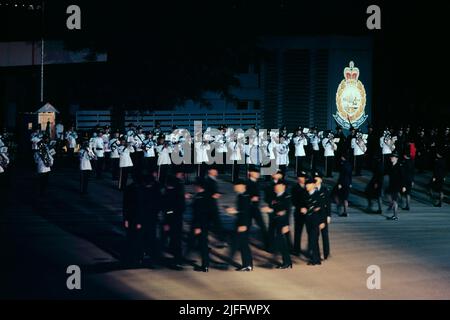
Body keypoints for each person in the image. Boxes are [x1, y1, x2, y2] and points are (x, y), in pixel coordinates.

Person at [226, 180, 253, 271]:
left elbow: (247, 212)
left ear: (242, 186)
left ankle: (247, 265)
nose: (234, 187)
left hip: (243, 224)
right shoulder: (241, 195)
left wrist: (243, 224)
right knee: (243, 244)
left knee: (242, 244)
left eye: (236, 185)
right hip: (241, 223)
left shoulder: (245, 196)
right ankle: (247, 265)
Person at [162, 172, 186, 270]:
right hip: (176, 221)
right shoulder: (178, 193)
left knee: (174, 241)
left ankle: (177, 261)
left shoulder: (170, 193)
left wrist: (167, 218)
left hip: (172, 221)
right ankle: (177, 260)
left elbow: (169, 209)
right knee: (175, 242)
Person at [190, 178, 212, 272]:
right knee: (203, 244)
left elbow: (199, 213)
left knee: (202, 245)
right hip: (205, 225)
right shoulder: (206, 196)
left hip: (200, 225)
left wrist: (198, 226)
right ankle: (205, 265)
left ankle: (205, 265)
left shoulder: (200, 198)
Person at [271, 181, 292, 269]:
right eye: (276, 186)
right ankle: (287, 262)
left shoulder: (286, 197)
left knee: (283, 243)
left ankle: (287, 262)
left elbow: (288, 212)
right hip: (277, 222)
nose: (276, 188)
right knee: (281, 243)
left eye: (278, 186)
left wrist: (286, 225)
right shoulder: (276, 196)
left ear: (283, 187)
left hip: (283, 223)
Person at [246, 167, 268, 248]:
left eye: (258, 173)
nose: (258, 174)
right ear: (251, 173)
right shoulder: (247, 183)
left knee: (262, 226)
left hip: (255, 208)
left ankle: (267, 244)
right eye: (256, 173)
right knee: (246, 226)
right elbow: (243, 195)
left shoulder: (257, 182)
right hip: (248, 208)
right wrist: (250, 198)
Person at [204, 167, 227, 247]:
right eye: (214, 170)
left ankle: (221, 239)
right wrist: (212, 195)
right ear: (209, 171)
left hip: (212, 205)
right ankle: (221, 239)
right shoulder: (207, 180)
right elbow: (205, 192)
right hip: (209, 206)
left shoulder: (213, 179)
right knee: (214, 224)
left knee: (214, 224)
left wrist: (216, 193)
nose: (216, 171)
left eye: (216, 170)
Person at [304, 178, 322, 266]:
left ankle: (315, 259)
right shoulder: (306, 195)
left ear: (313, 185)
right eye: (306, 184)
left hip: (316, 221)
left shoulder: (318, 195)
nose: (306, 186)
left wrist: (322, 222)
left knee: (313, 239)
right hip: (308, 221)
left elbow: (322, 209)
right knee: (313, 239)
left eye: (308, 184)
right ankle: (317, 258)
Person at [291, 171, 308, 256]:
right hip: (299, 212)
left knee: (311, 232)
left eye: (303, 177)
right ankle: (296, 249)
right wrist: (300, 207)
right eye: (300, 177)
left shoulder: (308, 187)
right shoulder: (295, 188)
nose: (301, 179)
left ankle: (310, 250)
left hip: (308, 212)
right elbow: (293, 200)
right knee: (298, 232)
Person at [314, 172, 331, 260]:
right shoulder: (312, 189)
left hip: (324, 216)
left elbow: (328, 204)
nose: (316, 179)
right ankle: (316, 253)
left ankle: (326, 253)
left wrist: (328, 216)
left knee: (325, 235)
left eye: (317, 178)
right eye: (315, 178)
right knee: (315, 235)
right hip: (315, 216)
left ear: (321, 180)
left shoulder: (325, 190)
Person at [386, 152, 404, 221]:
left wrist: (403, 186)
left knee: (394, 200)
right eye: (391, 157)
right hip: (392, 184)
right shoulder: (391, 165)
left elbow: (402, 177)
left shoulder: (399, 166)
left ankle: (395, 216)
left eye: (393, 157)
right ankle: (392, 206)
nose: (391, 158)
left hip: (396, 185)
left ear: (396, 158)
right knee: (388, 194)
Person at [334, 153, 352, 217]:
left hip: (342, 183)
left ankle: (339, 208)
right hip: (348, 183)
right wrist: (350, 183)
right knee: (345, 198)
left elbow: (341, 175)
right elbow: (350, 175)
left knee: (336, 195)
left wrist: (339, 183)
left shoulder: (342, 165)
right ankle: (345, 211)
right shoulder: (349, 165)